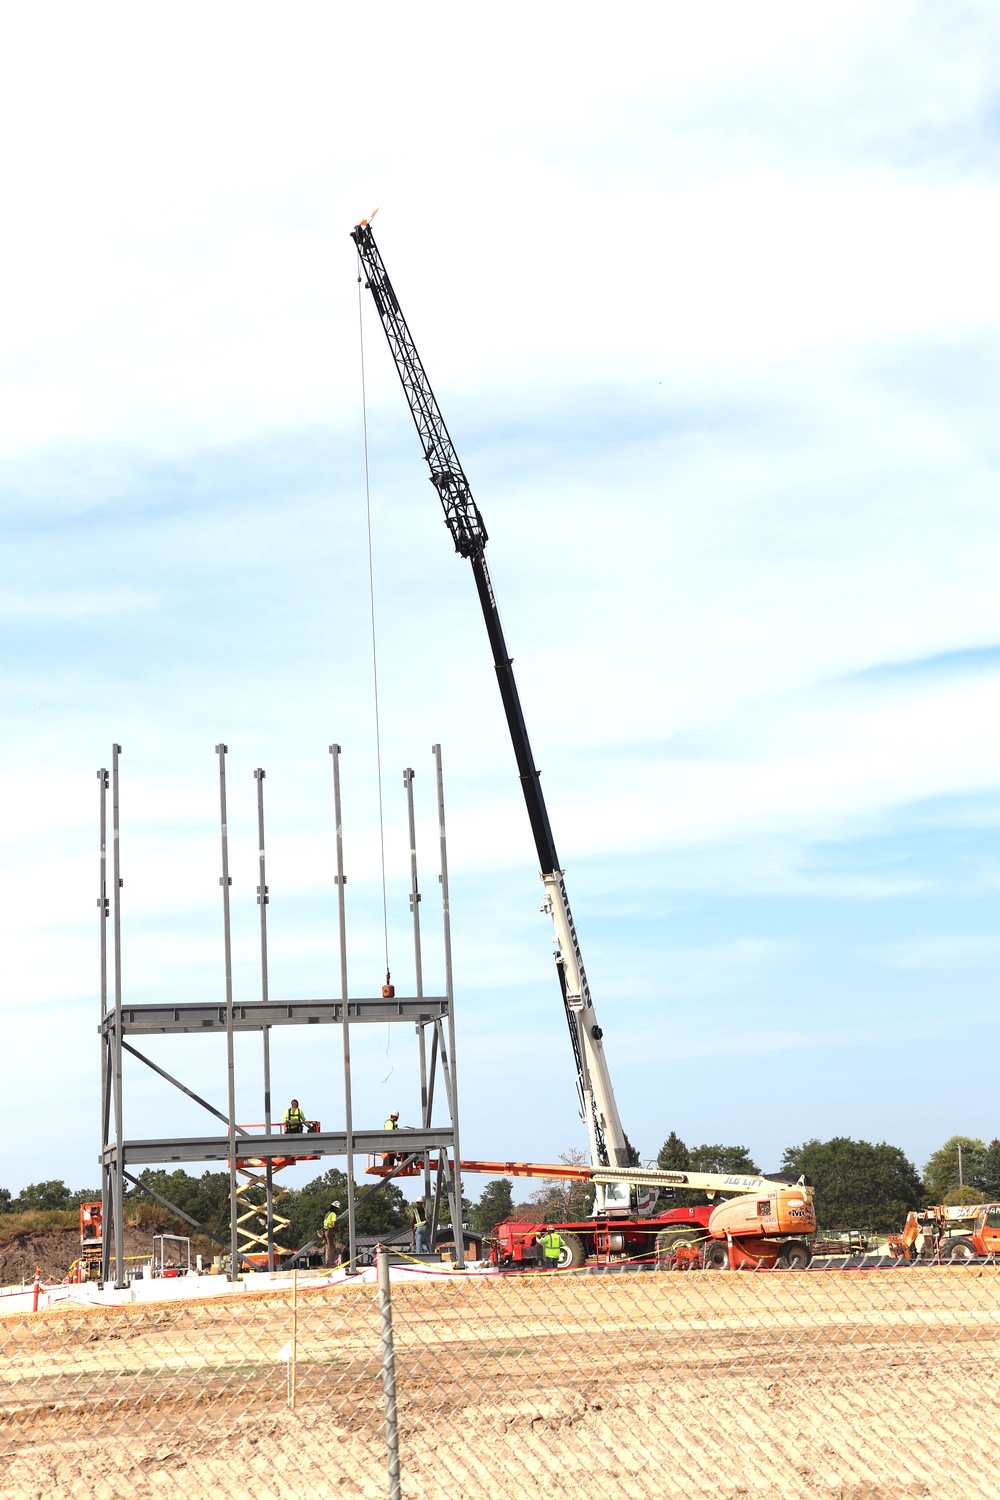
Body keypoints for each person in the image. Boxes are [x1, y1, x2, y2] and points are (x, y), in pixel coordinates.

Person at [322, 1201, 342, 1268]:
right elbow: (333, 1225)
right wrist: (337, 1229)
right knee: (332, 1248)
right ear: (335, 1208)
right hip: (329, 1232)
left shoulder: (328, 1213)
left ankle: (327, 1263)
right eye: (337, 1208)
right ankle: (330, 1264)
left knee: (328, 1248)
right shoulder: (333, 1214)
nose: (338, 1210)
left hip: (325, 1231)